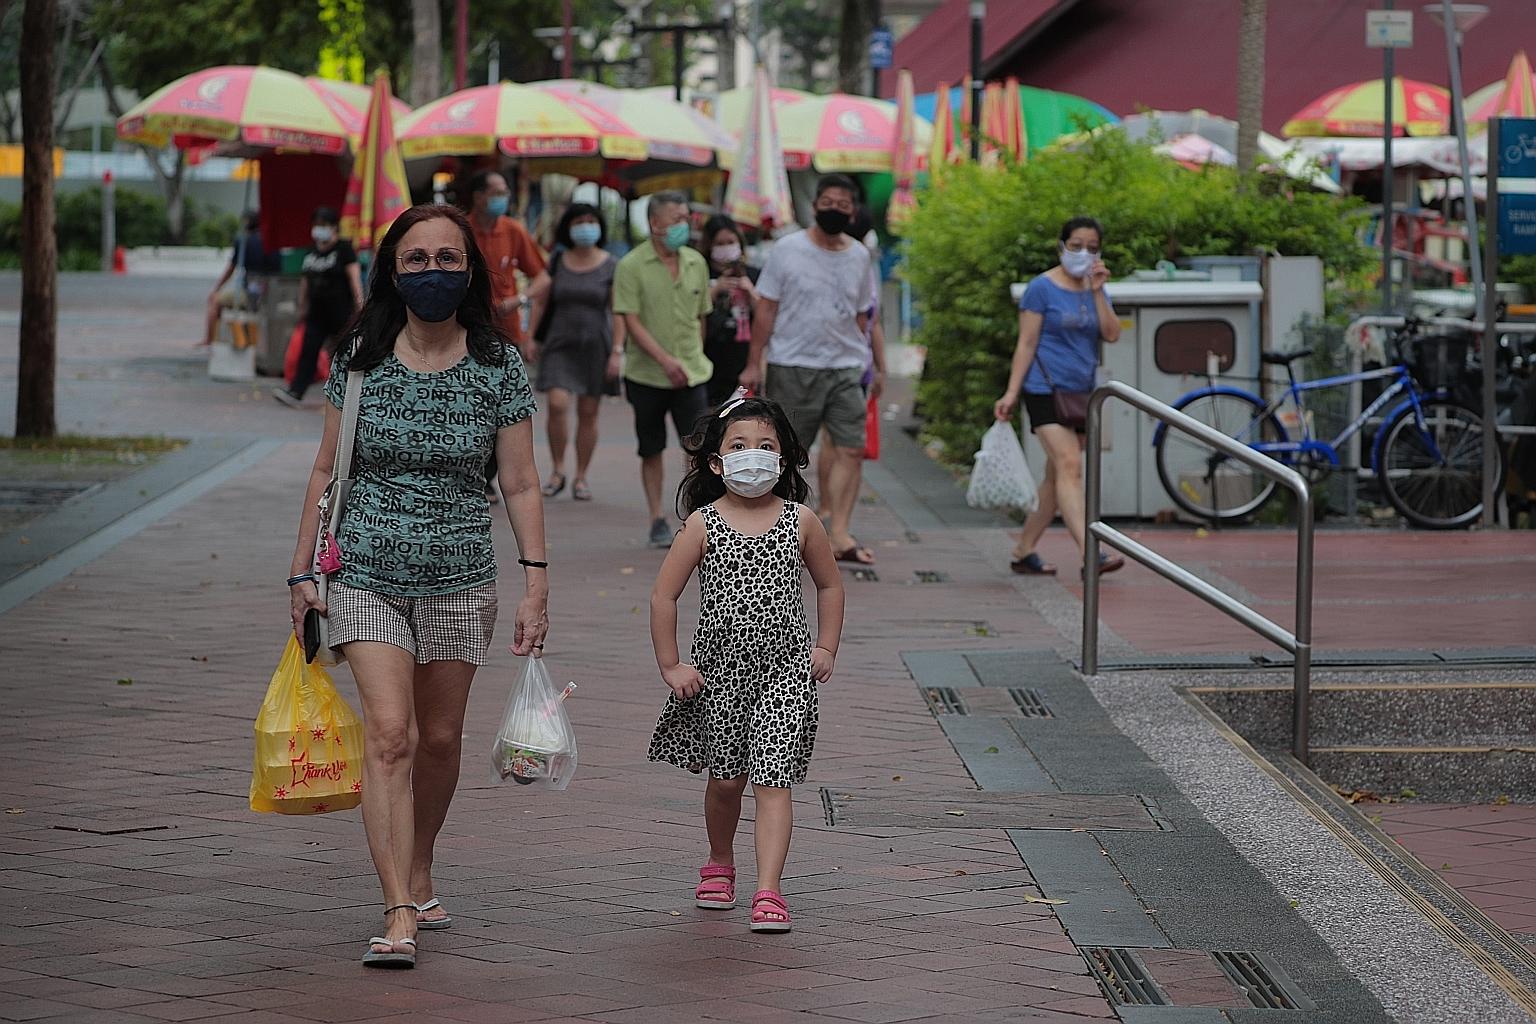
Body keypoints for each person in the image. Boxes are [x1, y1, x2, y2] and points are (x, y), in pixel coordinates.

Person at [285, 204, 549, 968]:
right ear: (393, 272)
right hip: (364, 573)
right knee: (392, 734)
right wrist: (303, 570)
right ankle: (398, 904)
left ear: (470, 269)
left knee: (438, 739)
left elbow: (521, 482)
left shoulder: (498, 365)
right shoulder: (361, 356)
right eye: (416, 260)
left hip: (462, 580)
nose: (432, 272)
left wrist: (536, 582)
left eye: (447, 259)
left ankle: (421, 859)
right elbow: (325, 468)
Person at [648, 391, 844, 934]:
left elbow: (829, 585)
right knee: (727, 782)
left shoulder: (802, 521)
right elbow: (664, 596)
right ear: (716, 462)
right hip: (720, 677)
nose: (752, 455)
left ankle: (769, 890)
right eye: (738, 446)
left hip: (786, 674)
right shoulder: (703, 524)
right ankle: (720, 861)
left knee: (774, 779)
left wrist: (826, 646)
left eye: (765, 445)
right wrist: (672, 664)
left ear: (784, 458)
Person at [741, 174, 883, 565]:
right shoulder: (788, 250)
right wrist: (753, 361)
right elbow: (766, 308)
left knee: (851, 448)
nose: (835, 209)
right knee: (786, 453)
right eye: (829, 202)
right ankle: (780, 534)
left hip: (845, 367)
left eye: (843, 205)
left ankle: (839, 533)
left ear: (853, 212)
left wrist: (872, 364)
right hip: (793, 364)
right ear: (815, 205)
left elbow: (863, 315)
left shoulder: (859, 256)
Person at [993, 216, 1125, 576]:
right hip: (1044, 389)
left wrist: (1097, 291)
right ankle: (1090, 553)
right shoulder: (1041, 288)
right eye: (1076, 245)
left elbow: (1112, 333)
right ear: (1061, 246)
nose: (1083, 253)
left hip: (1081, 392)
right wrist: (1011, 392)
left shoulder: (1095, 288)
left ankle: (1023, 549)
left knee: (1056, 477)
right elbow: (1026, 342)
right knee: (1069, 465)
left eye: (1092, 248)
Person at [612, 191, 713, 548]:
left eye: (686, 218)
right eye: (677, 220)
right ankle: (656, 517)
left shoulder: (696, 262)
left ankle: (696, 514)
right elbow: (631, 320)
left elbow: (701, 316)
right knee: (651, 447)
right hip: (647, 375)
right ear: (656, 224)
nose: (684, 225)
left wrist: (691, 355)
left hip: (693, 373)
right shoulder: (631, 266)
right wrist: (665, 360)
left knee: (698, 447)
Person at [526, 202, 620, 501]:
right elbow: (540, 299)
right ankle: (557, 470)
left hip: (595, 345)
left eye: (591, 220)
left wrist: (618, 351)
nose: (585, 226)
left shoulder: (611, 264)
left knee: (588, 412)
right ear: (568, 226)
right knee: (556, 404)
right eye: (579, 221)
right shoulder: (557, 260)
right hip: (559, 343)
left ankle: (581, 476)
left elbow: (619, 311)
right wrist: (530, 337)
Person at [816, 206, 882, 514]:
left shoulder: (860, 264)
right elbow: (873, 322)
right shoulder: (858, 265)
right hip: (844, 364)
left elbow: (872, 321)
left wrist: (879, 367)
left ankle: (830, 511)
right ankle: (830, 510)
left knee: (839, 443)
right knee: (842, 443)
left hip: (853, 365)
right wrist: (880, 367)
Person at [273, 206, 362, 406]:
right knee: (308, 351)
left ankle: (349, 394)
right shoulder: (311, 252)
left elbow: (354, 277)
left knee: (345, 353)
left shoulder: (343, 249)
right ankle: (296, 392)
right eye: (316, 224)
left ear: (334, 227)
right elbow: (305, 281)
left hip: (340, 312)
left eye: (323, 225)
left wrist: (360, 305)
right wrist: (302, 305)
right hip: (316, 313)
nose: (318, 229)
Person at [464, 170, 548, 359]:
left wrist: (520, 299)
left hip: (508, 331)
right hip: (468, 329)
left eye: (505, 193)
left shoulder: (513, 230)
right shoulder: (462, 231)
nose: (503, 199)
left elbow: (543, 277)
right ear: (478, 197)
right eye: (497, 193)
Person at [699, 216, 759, 407]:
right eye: (719, 243)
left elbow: (765, 315)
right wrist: (715, 290)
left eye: (731, 242)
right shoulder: (700, 272)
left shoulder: (753, 274)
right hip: (710, 361)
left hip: (743, 359)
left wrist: (750, 292)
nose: (726, 248)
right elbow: (693, 311)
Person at [202, 210, 265, 346]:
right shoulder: (269, 240)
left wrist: (216, 289)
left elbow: (230, 269)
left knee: (215, 300)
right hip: (270, 293)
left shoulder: (243, 241)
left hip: (250, 294)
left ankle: (209, 340)